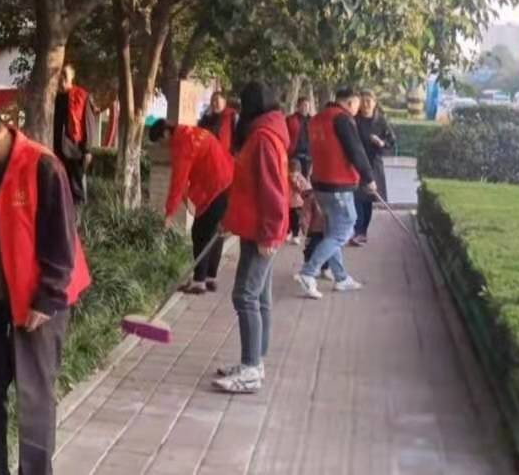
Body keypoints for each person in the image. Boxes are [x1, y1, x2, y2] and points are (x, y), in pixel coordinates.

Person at [0, 95, 91, 475]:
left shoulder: (43, 165)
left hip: (37, 304)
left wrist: (47, 298)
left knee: (34, 400)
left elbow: (63, 241)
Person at [212, 82, 289, 395]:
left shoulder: (263, 139)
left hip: (262, 232)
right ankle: (255, 362)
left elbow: (273, 191)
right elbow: (248, 188)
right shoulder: (265, 134)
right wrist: (229, 220)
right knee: (260, 298)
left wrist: (270, 235)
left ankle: (251, 369)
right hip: (255, 228)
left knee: (245, 296)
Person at [295, 87, 375, 299]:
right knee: (344, 231)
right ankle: (308, 273)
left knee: (333, 232)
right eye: (357, 104)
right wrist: (369, 178)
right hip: (339, 185)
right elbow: (355, 150)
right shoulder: (343, 119)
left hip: (320, 184)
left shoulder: (317, 118)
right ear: (349, 102)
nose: (358, 109)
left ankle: (341, 278)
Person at [150, 120, 233, 294]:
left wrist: (169, 214)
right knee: (214, 233)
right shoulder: (192, 132)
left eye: (160, 142)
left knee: (199, 233)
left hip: (214, 187)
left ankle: (199, 282)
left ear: (166, 133)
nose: (163, 146)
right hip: (226, 181)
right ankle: (210, 277)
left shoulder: (182, 144)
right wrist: (189, 202)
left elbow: (178, 181)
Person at [351, 91, 396, 246]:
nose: (366, 104)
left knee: (368, 200)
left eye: (369, 101)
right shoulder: (354, 120)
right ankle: (358, 231)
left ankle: (363, 232)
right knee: (356, 197)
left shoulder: (381, 121)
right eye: (363, 101)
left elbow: (391, 141)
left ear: (375, 102)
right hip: (357, 164)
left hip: (374, 164)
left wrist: (381, 143)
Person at [53, 64, 97, 206]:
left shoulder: (82, 96)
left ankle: (79, 217)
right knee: (60, 189)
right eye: (60, 74)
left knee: (76, 189)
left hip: (75, 150)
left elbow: (89, 124)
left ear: (72, 76)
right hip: (56, 149)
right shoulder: (53, 97)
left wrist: (88, 150)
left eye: (65, 74)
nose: (62, 77)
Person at [285, 96, 314, 167]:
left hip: (309, 154)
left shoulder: (313, 121)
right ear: (298, 106)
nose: (304, 108)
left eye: (306, 105)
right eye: (302, 105)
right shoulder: (290, 120)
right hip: (295, 154)